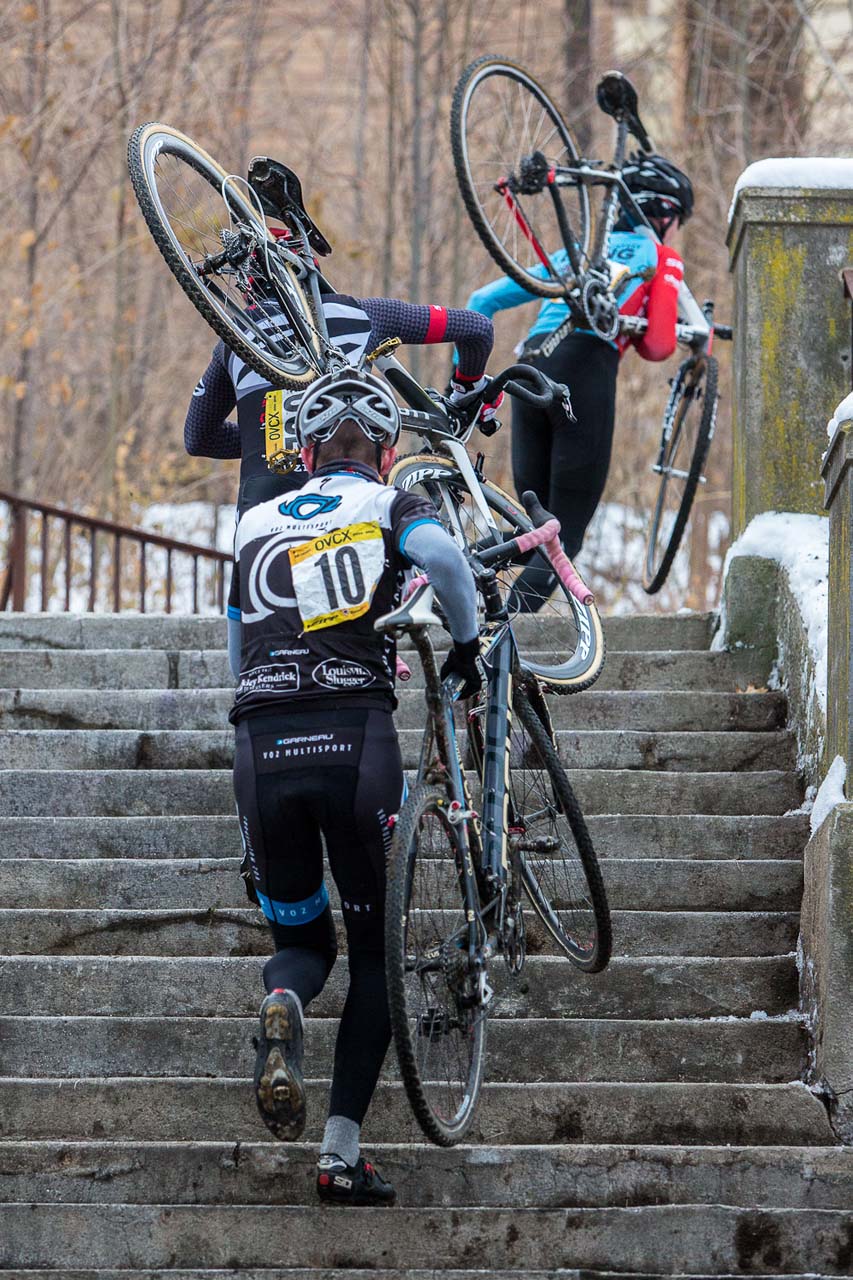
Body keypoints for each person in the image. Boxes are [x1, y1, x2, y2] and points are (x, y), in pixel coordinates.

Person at [230, 366, 481, 1206]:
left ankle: (284, 1001)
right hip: (354, 737)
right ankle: (339, 1154)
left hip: (259, 747)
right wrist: (467, 647)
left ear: (302, 451)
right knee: (376, 954)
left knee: (304, 945)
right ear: (384, 450)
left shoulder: (256, 521)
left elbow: (236, 649)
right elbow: (443, 557)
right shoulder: (385, 503)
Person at [183, 158, 502, 675]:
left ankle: (245, 692)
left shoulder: (233, 344)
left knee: (261, 630)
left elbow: (196, 438)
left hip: (261, 523)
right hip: (351, 503)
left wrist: (271, 440)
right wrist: (469, 386)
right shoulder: (361, 315)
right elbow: (477, 329)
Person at [464, 152, 694, 608]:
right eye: (678, 221)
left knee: (531, 529)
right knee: (561, 537)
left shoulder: (577, 252)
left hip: (527, 371)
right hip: (584, 371)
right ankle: (505, 641)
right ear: (663, 214)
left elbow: (479, 301)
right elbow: (660, 346)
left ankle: (450, 600)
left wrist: (470, 384)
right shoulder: (661, 256)